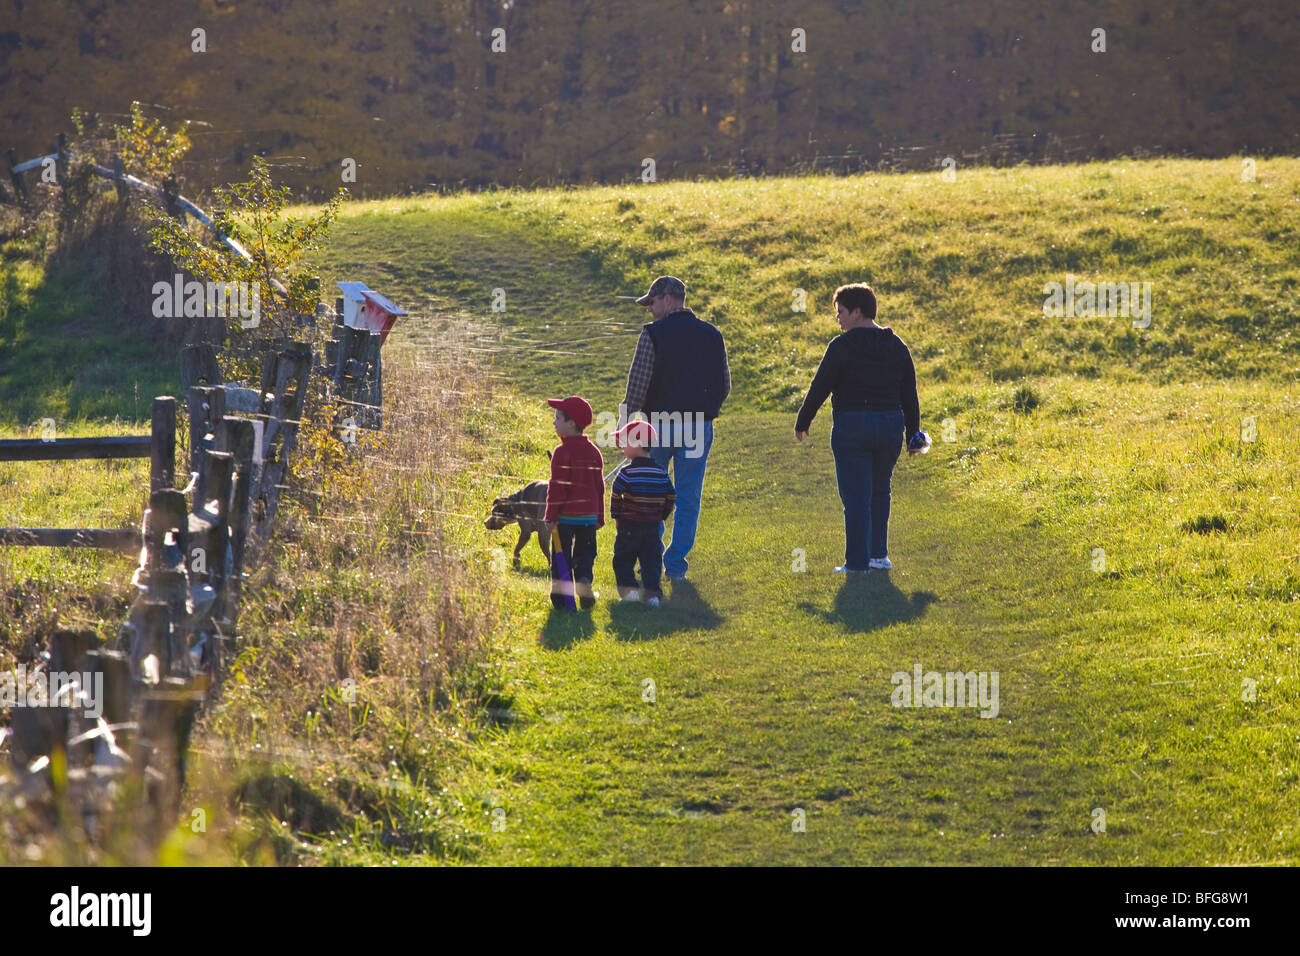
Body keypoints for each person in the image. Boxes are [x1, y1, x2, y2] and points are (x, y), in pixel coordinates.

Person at [794, 283, 922, 573]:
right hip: (890, 423)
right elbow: (909, 393)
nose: (838, 318)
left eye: (840, 312)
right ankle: (879, 555)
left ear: (856, 311)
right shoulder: (896, 345)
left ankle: (856, 562)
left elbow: (820, 387)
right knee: (880, 491)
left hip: (853, 425)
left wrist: (803, 421)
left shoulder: (841, 346)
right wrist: (913, 435)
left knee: (855, 497)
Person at [623, 275, 730, 581]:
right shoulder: (713, 334)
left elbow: (638, 383)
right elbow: (725, 384)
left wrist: (628, 419)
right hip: (698, 426)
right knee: (688, 496)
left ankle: (651, 558)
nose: (649, 310)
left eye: (652, 303)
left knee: (652, 492)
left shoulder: (653, 334)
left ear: (668, 299)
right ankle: (676, 564)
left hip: (660, 425)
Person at [544, 396, 605, 610]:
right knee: (585, 554)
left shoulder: (561, 452)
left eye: (558, 418)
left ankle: (561, 599)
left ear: (571, 424)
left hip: (565, 518)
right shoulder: (595, 452)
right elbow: (599, 487)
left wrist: (550, 516)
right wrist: (599, 516)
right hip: (588, 518)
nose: (554, 422)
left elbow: (557, 488)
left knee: (561, 556)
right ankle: (585, 581)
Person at [610, 420, 676, 607]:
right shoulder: (661, 473)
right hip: (652, 527)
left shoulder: (626, 473)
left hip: (628, 526)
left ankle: (629, 591)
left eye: (625, 441)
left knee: (623, 559)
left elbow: (616, 493)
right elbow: (670, 495)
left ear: (637, 443)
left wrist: (617, 516)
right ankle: (652, 596)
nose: (622, 445)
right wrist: (661, 515)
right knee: (652, 563)